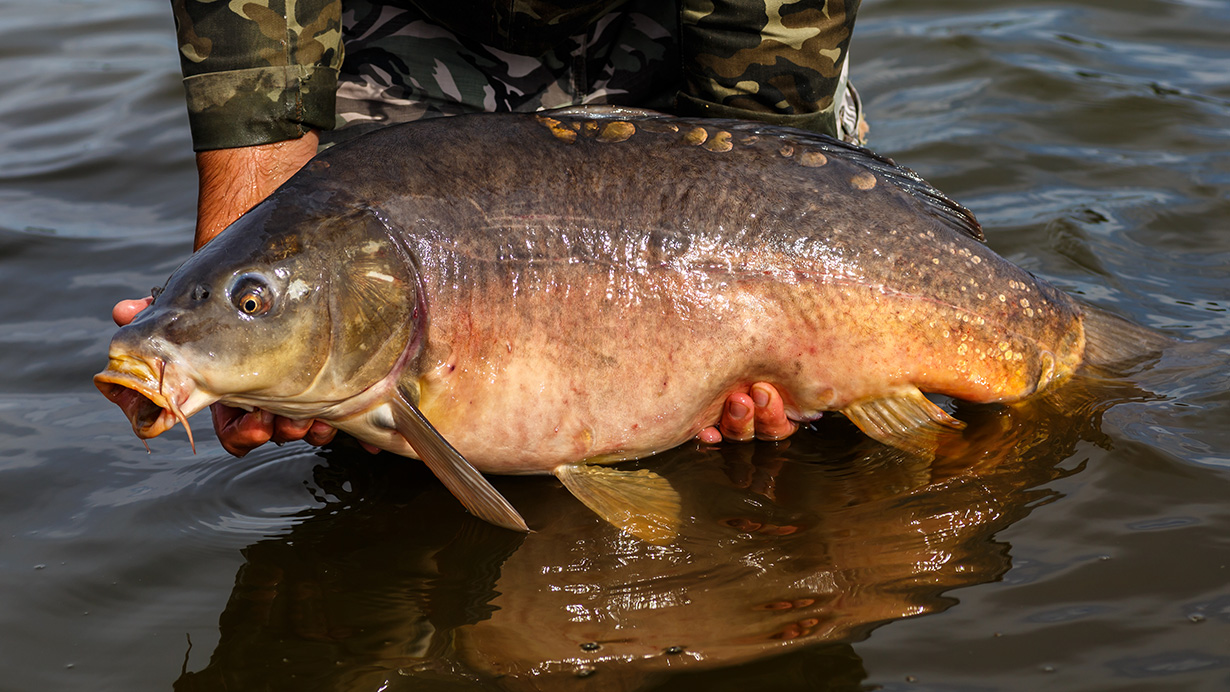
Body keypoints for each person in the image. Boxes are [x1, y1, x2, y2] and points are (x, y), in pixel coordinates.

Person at [114, 0, 865, 457]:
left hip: (678, 24)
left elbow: (770, 150)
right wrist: (228, 319)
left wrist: (758, 335)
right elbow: (259, 111)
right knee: (359, 416)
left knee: (798, 419)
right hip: (411, 34)